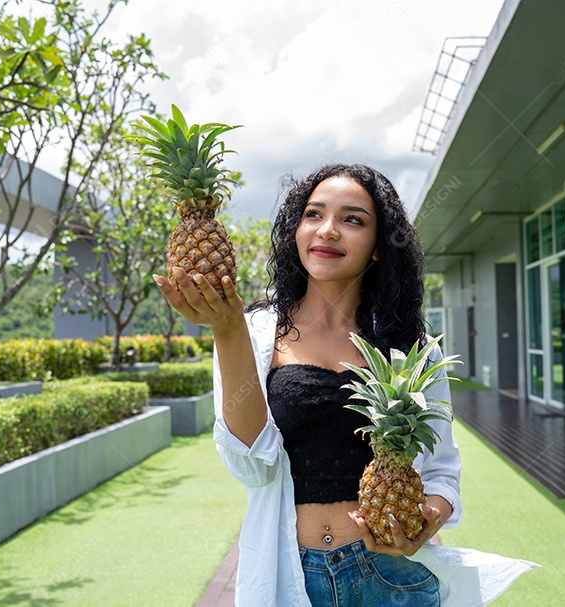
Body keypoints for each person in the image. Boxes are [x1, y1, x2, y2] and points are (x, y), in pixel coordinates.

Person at [154, 163, 536, 606]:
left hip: (393, 576)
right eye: (314, 215)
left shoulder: (411, 347)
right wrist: (226, 331)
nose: (328, 230)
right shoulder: (254, 332)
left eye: (353, 219)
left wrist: (428, 518)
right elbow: (251, 467)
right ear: (296, 230)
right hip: (293, 575)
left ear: (378, 247)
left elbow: (442, 473)